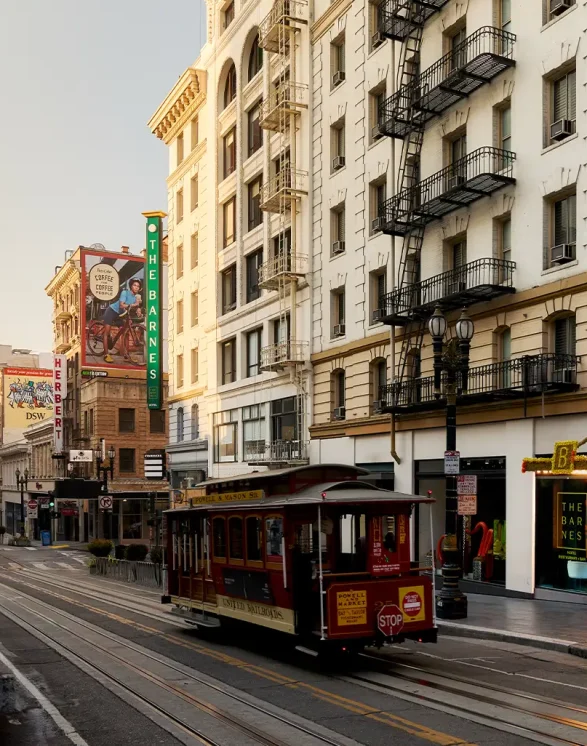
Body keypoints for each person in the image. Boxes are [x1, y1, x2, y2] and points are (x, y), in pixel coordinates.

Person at [101, 279, 143, 363]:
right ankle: (106, 354)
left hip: (120, 314)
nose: (136, 287)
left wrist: (138, 310)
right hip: (112, 311)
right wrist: (133, 305)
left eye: (138, 286)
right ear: (131, 286)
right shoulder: (125, 293)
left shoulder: (135, 298)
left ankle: (126, 355)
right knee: (107, 331)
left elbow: (134, 307)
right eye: (134, 285)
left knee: (126, 332)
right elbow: (121, 305)